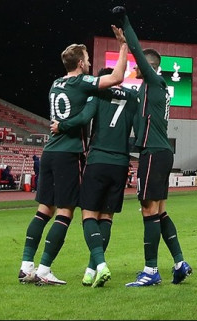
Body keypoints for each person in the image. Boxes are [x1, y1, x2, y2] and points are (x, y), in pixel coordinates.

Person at [18, 39, 125, 286]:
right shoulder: (82, 82)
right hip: (69, 154)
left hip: (49, 152)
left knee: (43, 211)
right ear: (80, 63)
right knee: (65, 212)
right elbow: (117, 77)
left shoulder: (55, 83)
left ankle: (26, 266)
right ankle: (45, 269)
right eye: (87, 59)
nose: (89, 63)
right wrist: (123, 47)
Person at [113, 7, 193, 287]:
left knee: (148, 211)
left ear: (147, 66)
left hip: (153, 152)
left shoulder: (154, 80)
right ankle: (180, 263)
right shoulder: (149, 89)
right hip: (160, 152)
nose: (134, 69)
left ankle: (150, 271)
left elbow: (137, 51)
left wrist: (125, 24)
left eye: (138, 66)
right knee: (159, 211)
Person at [51, 62, 140, 288]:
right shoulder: (133, 97)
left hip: (98, 159)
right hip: (121, 163)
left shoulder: (98, 93)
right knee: (107, 217)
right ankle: (90, 271)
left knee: (88, 214)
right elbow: (139, 131)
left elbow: (84, 118)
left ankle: (100, 265)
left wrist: (62, 126)